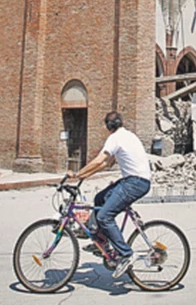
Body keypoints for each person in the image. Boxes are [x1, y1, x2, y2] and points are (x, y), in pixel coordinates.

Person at [66, 111, 152, 278]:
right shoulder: (128, 135)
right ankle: (102, 240)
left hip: (135, 182)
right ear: (121, 122)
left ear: (107, 127)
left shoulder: (115, 138)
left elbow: (99, 160)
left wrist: (77, 174)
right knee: (100, 198)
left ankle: (126, 254)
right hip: (136, 180)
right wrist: (84, 175)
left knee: (105, 216)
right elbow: (105, 163)